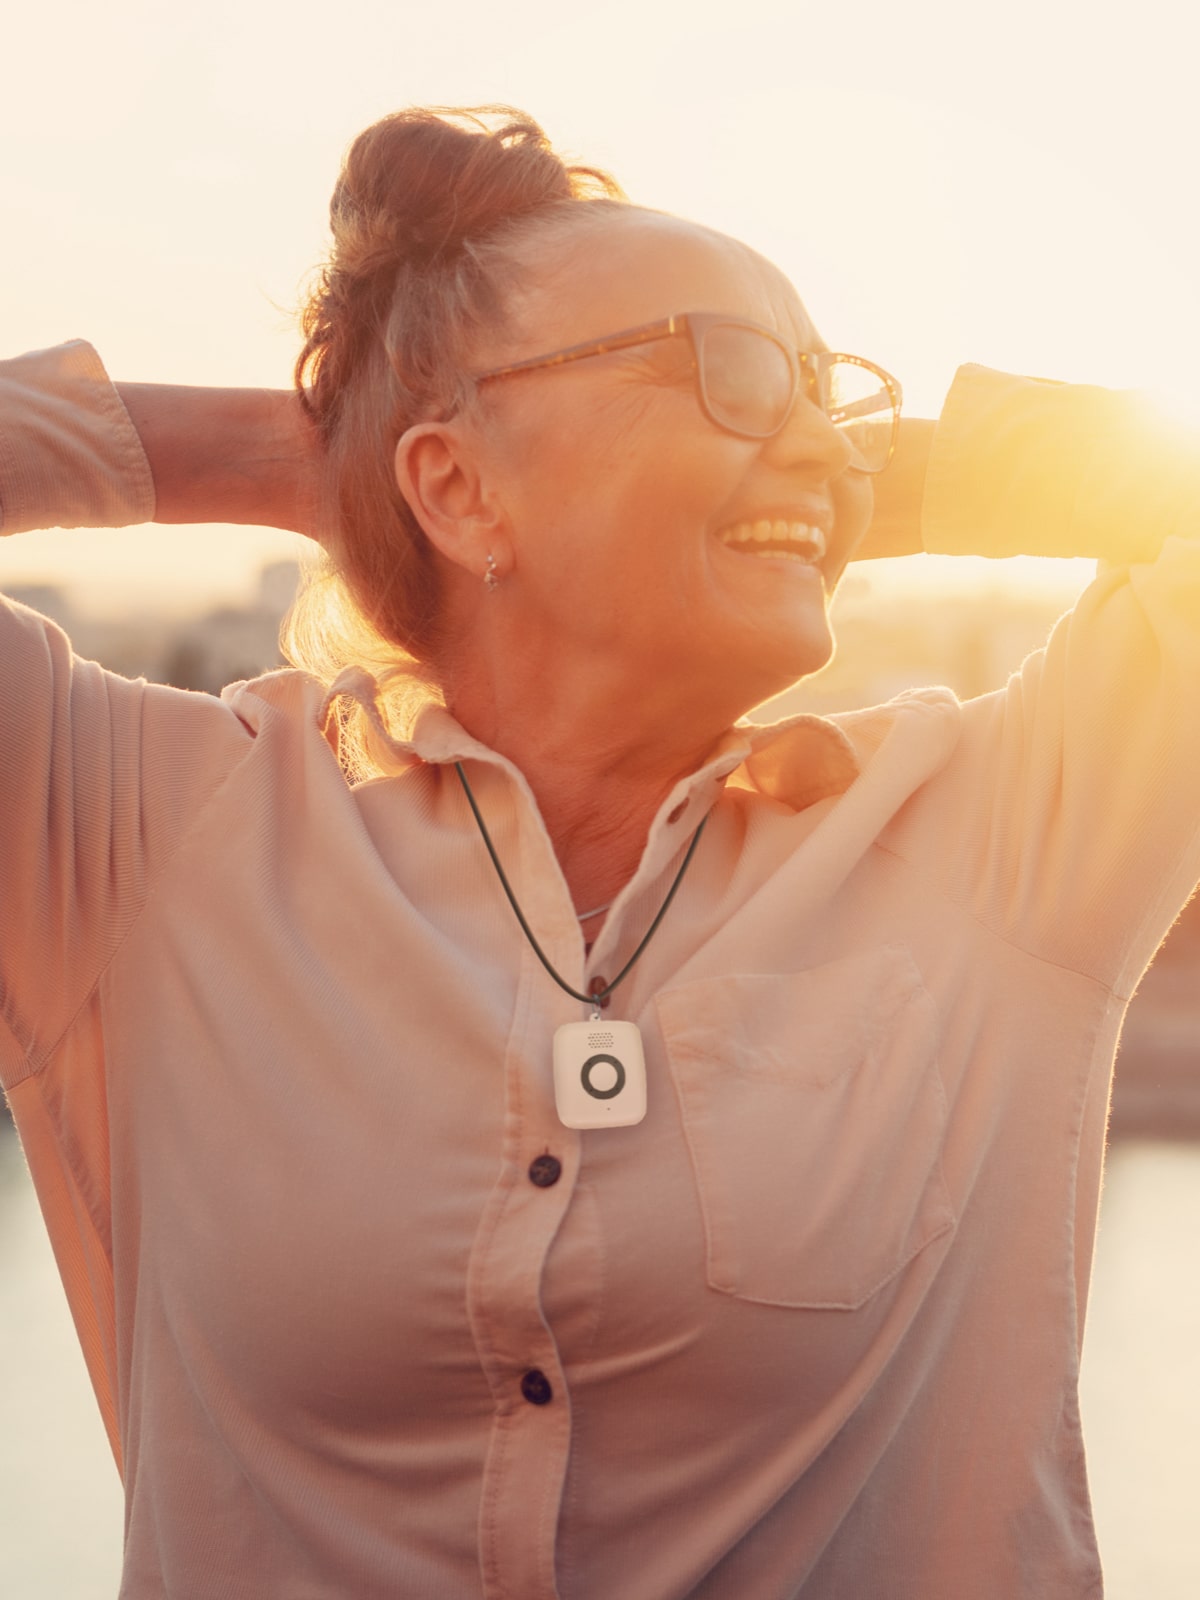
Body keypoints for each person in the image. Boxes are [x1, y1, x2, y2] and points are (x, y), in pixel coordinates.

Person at [1, 105, 1197, 1600]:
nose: (826, 438)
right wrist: (282, 452)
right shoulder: (135, 838)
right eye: (733, 372)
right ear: (455, 485)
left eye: (837, 397)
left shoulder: (1002, 841)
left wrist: (818, 478)